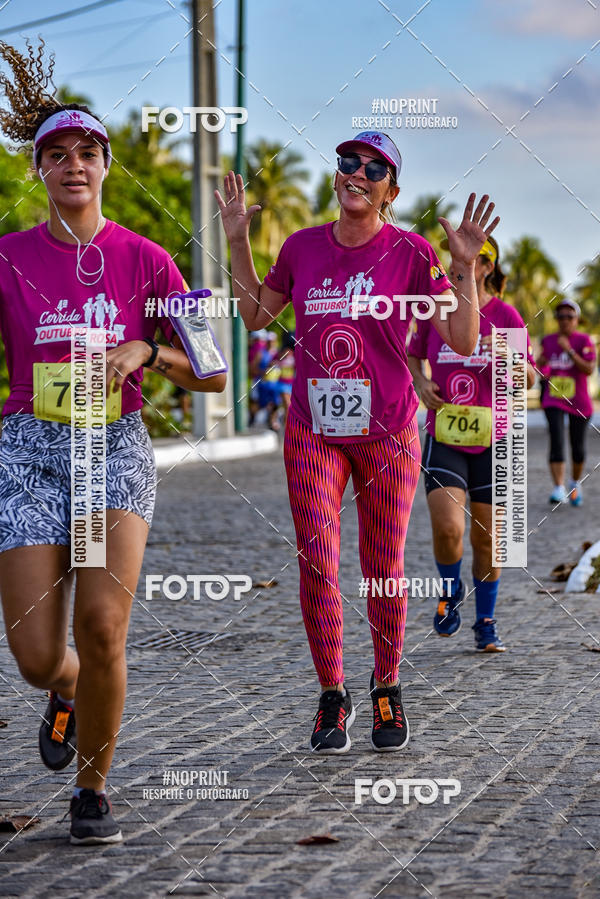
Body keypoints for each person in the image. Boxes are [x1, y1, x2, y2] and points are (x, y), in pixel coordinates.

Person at [0, 41, 226, 844]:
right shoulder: (7, 258)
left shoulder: (148, 260)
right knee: (36, 655)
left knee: (102, 627)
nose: (74, 165)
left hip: (111, 452)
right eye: (57, 154)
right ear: (38, 169)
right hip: (28, 453)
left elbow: (213, 373)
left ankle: (91, 789)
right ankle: (66, 690)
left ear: (105, 165)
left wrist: (148, 351)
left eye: (87, 152)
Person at [216, 129, 498, 753]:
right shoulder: (301, 246)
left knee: (382, 565)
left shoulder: (412, 252)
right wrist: (236, 241)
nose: (358, 174)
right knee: (317, 558)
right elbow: (256, 315)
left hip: (389, 431)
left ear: (391, 191)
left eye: (375, 169)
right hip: (312, 430)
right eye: (349, 161)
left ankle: (387, 684)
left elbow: (461, 337)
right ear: (335, 173)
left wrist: (464, 266)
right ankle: (331, 695)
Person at [407, 236, 535, 652]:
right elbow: (412, 354)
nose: (462, 263)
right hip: (444, 436)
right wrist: (421, 382)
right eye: (456, 255)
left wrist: (511, 359)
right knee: (448, 529)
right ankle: (449, 592)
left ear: (488, 268)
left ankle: (486, 621)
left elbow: (529, 379)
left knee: (488, 541)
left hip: (494, 440)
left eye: (476, 258)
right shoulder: (436, 309)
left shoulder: (506, 316)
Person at [537, 299, 596, 506]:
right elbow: (542, 368)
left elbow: (589, 369)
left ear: (577, 319)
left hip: (579, 402)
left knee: (577, 447)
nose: (564, 320)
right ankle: (558, 488)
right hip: (554, 399)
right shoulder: (548, 341)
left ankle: (574, 483)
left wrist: (569, 350)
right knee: (557, 439)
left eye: (569, 316)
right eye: (560, 316)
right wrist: (541, 368)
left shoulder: (584, 340)